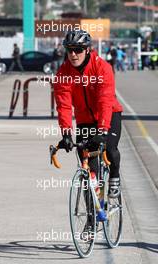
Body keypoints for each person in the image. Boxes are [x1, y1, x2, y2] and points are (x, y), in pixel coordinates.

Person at [54, 30, 123, 207]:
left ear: (87, 50)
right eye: (69, 50)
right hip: (85, 120)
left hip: (109, 115)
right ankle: (92, 218)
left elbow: (105, 100)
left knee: (110, 149)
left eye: (78, 49)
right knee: (88, 171)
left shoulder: (102, 68)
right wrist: (66, 134)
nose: (73, 54)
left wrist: (102, 130)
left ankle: (114, 176)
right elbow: (64, 105)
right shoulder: (63, 73)